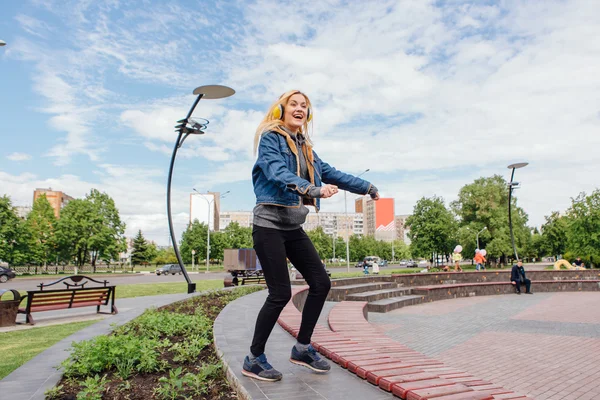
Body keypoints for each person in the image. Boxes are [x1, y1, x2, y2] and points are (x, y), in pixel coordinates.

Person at [243, 90, 380, 382]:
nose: (300, 108)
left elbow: (333, 173)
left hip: (292, 227)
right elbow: (277, 172)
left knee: (321, 282)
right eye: (294, 104)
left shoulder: (307, 149)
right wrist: (311, 189)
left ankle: (302, 348)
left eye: (304, 106)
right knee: (279, 293)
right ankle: (254, 358)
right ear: (281, 109)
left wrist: (366, 186)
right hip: (268, 226)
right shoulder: (271, 139)